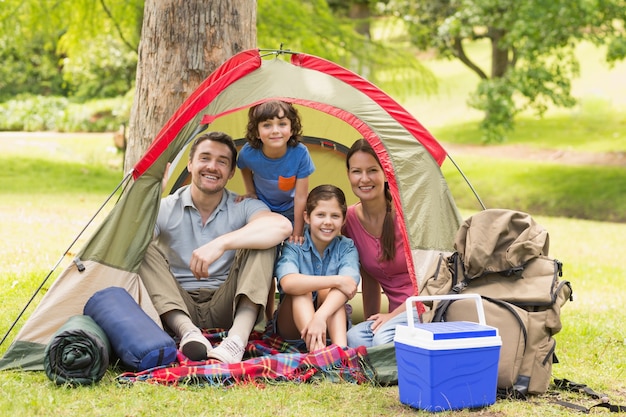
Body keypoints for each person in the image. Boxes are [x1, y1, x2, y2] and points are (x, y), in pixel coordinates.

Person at [138, 131, 293, 363]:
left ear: (231, 173)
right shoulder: (166, 207)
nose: (212, 166)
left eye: (222, 162)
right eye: (205, 158)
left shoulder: (243, 205)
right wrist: (149, 196)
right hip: (177, 303)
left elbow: (281, 226)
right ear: (190, 164)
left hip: (227, 304)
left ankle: (236, 341)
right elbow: (127, 240)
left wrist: (221, 243)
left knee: (264, 241)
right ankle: (188, 332)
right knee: (140, 245)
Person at [343, 139, 420, 348]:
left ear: (386, 173)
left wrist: (391, 316)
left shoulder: (406, 215)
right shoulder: (349, 219)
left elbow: (433, 281)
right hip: (395, 317)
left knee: (381, 339)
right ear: (349, 175)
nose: (364, 179)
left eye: (372, 170)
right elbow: (369, 279)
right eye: (357, 171)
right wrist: (373, 319)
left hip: (424, 306)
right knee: (355, 338)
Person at [274, 185, 360, 352]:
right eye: (320, 215)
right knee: (301, 290)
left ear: (343, 220)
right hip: (290, 325)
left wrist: (320, 316)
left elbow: (349, 285)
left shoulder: (346, 247)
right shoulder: (294, 244)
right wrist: (337, 280)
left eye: (335, 216)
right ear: (307, 217)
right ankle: (318, 352)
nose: (327, 222)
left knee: (330, 292)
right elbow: (288, 283)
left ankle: (341, 352)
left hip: (328, 323)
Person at [237, 100, 315, 242]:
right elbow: (244, 166)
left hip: (292, 208)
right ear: (257, 132)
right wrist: (250, 191)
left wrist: (298, 231)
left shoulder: (300, 153)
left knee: (306, 233)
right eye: (267, 125)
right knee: (263, 237)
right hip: (262, 207)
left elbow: (300, 197)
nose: (275, 130)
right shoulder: (249, 153)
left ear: (291, 129)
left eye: (282, 124)